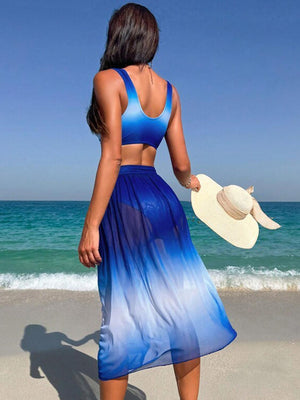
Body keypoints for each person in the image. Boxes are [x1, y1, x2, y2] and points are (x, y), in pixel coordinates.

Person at [78, 3, 237, 400]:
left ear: (118, 35)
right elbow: (182, 165)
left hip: (124, 198)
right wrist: (195, 183)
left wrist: (91, 225)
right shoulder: (169, 90)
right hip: (162, 198)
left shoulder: (107, 79)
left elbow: (112, 155)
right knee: (182, 310)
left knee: (119, 314)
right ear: (150, 39)